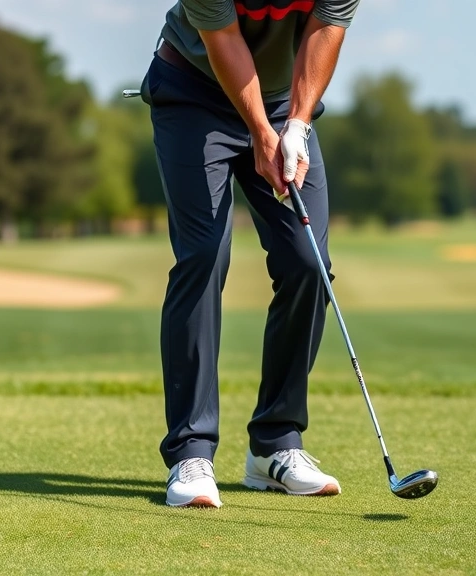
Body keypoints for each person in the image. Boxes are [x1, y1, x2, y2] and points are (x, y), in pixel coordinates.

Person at [139, 0, 359, 508]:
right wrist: (262, 133)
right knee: (204, 255)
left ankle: (275, 446)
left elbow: (326, 28)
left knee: (308, 262)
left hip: (284, 102)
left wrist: (297, 126)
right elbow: (224, 41)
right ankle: (190, 452)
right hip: (194, 91)